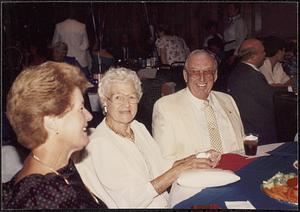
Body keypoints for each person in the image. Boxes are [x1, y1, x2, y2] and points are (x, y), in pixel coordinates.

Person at [74, 67, 221, 208]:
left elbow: (161, 166)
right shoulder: (100, 144)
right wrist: (178, 170)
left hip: (167, 203)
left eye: (131, 97)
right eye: (118, 97)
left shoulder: (138, 127)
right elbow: (130, 201)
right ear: (105, 101)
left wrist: (196, 158)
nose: (126, 104)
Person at [2, 62, 107, 209]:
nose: (89, 116)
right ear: (51, 121)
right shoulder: (46, 196)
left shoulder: (56, 167)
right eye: (81, 108)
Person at [152, 49, 245, 162]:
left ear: (215, 75)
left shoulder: (227, 100)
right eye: (195, 72)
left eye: (207, 71)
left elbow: (242, 143)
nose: (202, 78)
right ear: (185, 75)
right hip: (197, 176)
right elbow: (164, 160)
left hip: (239, 170)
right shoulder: (166, 107)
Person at [227, 38, 288, 145]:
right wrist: (290, 90)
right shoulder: (251, 75)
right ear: (253, 56)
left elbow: (264, 91)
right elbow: (270, 98)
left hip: (251, 127)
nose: (265, 55)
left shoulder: (241, 70)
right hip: (257, 131)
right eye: (263, 52)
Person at [52, 6, 91, 79]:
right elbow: (86, 44)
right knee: (83, 81)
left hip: (63, 58)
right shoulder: (82, 26)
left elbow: (55, 43)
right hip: (79, 59)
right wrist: (77, 49)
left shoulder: (59, 26)